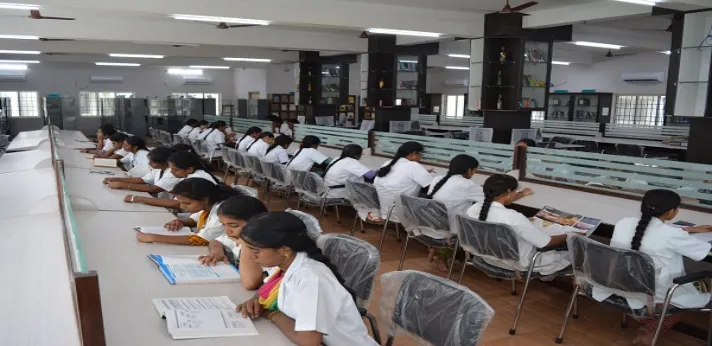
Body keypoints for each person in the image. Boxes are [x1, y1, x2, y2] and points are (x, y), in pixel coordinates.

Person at [236, 212, 378, 346]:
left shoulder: (311, 278)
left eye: (255, 251)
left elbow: (308, 341)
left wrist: (272, 314)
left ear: (284, 249)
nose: (250, 257)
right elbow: (267, 288)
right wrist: (255, 300)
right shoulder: (285, 263)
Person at [592, 189, 712, 346]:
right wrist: (685, 232)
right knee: (700, 291)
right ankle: (653, 329)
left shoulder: (624, 223)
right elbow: (701, 252)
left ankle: (650, 327)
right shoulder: (671, 235)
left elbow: (654, 230)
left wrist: (688, 229)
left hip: (620, 284)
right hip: (655, 293)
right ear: (670, 212)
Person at [466, 174, 568, 276]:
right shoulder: (513, 217)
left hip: (487, 258)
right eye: (515, 192)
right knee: (568, 249)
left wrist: (524, 221)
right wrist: (569, 236)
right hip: (517, 264)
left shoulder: (472, 209)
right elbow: (546, 243)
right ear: (509, 192)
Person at [136, 178, 241, 245]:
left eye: (187, 203)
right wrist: (182, 222)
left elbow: (201, 240)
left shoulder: (221, 212)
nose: (182, 206)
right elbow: (195, 219)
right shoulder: (208, 205)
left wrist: (154, 237)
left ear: (205, 200)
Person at [199, 195, 269, 290]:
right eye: (224, 225)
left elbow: (250, 283)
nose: (227, 231)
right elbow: (215, 241)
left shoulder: (266, 247)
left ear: (257, 223)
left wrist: (246, 243)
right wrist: (217, 251)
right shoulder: (235, 236)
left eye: (234, 225)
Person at [124, 151, 218, 208]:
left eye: (175, 169)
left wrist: (137, 198)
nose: (172, 172)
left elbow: (176, 204)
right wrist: (182, 222)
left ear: (189, 169)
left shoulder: (197, 179)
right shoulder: (190, 177)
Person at [372, 141, 433, 221]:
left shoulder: (388, 163)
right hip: (402, 213)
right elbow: (433, 187)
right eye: (421, 154)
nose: (421, 157)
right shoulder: (413, 166)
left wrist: (422, 172)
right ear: (414, 154)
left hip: (386, 211)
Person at [102, 147, 182, 196]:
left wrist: (122, 184)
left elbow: (154, 189)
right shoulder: (158, 170)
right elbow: (142, 179)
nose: (149, 163)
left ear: (165, 162)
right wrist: (116, 179)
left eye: (153, 162)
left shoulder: (172, 173)